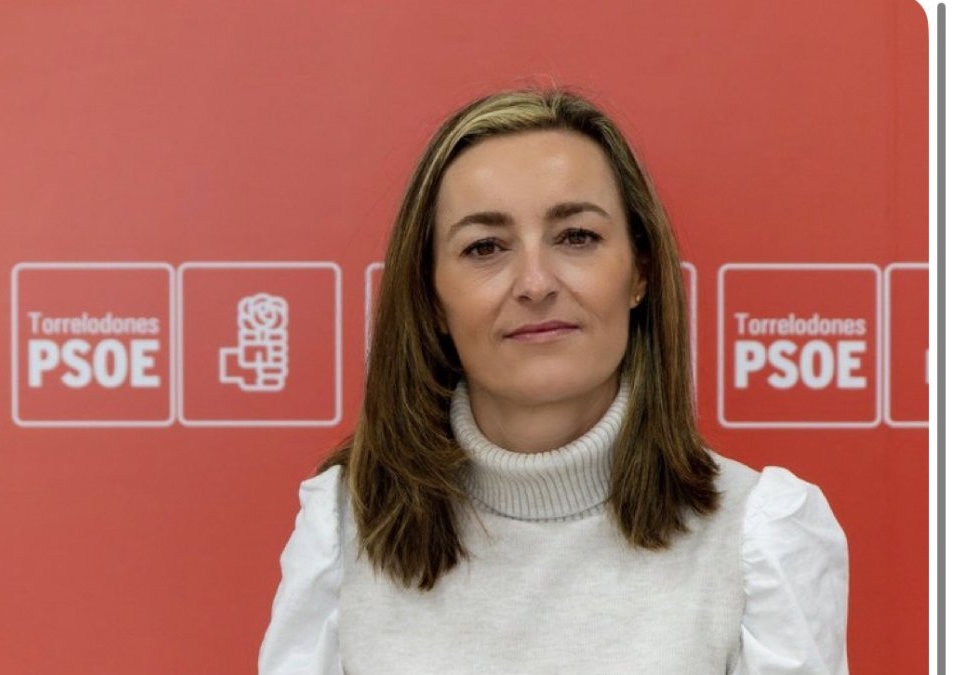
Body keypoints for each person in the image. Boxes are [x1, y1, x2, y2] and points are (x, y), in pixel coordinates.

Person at [258, 88, 849, 674]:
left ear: (639, 272)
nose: (535, 283)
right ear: (431, 297)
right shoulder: (342, 533)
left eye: (576, 237)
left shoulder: (759, 539)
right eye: (485, 247)